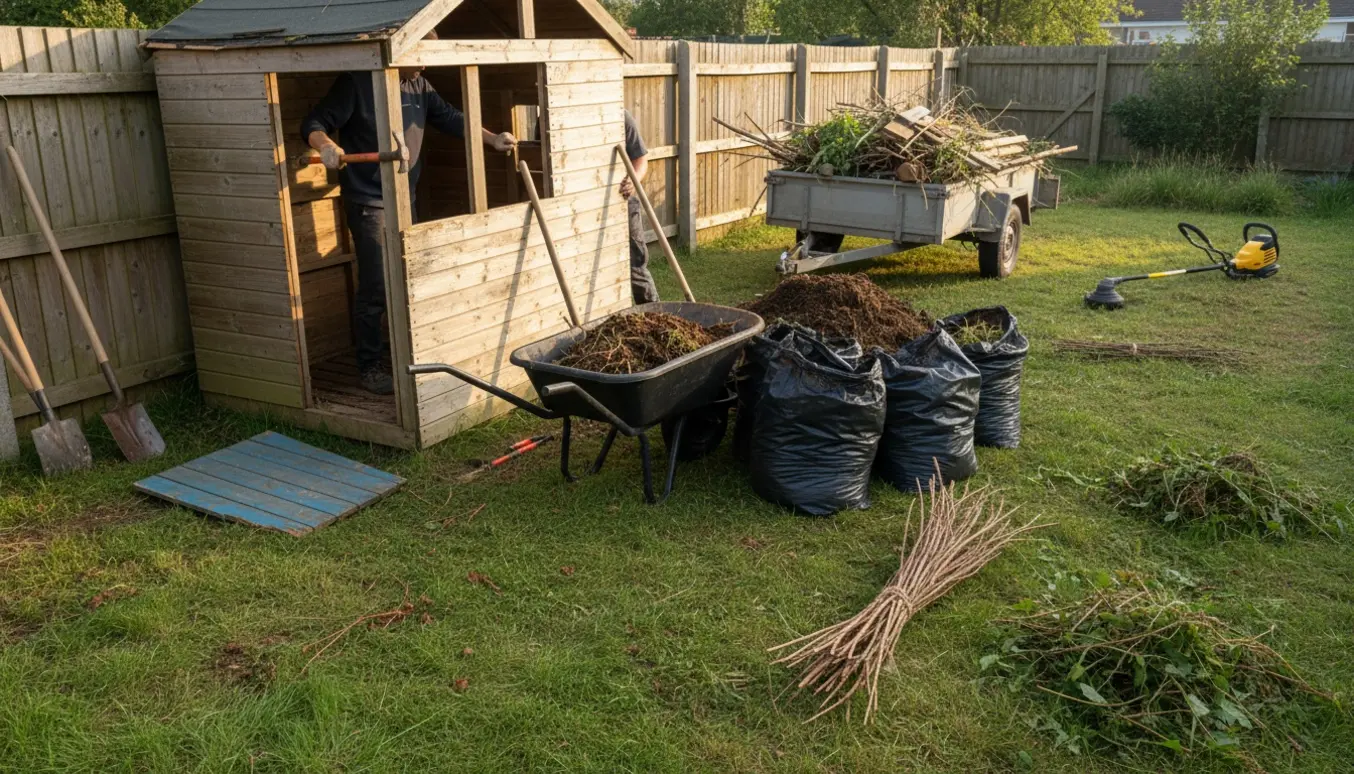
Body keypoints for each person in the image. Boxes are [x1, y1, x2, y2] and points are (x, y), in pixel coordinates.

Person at [301, 33, 516, 395]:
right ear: (401, 51)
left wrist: (492, 138)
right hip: (369, 201)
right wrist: (327, 145)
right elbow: (312, 123)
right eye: (421, 56)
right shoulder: (357, 82)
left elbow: (451, 118)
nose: (426, 63)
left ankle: (406, 354)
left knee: (408, 280)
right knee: (376, 286)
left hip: (405, 199)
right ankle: (369, 366)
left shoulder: (418, 84)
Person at [619, 110, 659, 305]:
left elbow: (641, 159)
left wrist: (633, 180)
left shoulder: (620, 116)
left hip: (623, 200)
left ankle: (653, 314)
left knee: (636, 264)